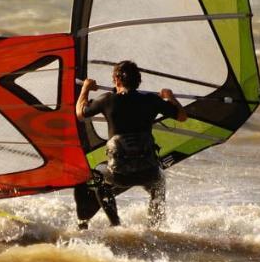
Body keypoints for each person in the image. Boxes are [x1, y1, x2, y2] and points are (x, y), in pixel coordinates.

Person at [73, 60, 187, 230]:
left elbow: (80, 113)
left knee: (96, 178)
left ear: (117, 80)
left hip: (119, 174)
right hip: (148, 173)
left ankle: (115, 224)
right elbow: (182, 116)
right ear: (138, 81)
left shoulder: (107, 99)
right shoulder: (151, 100)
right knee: (160, 181)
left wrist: (86, 88)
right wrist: (170, 97)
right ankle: (155, 225)